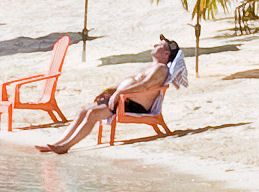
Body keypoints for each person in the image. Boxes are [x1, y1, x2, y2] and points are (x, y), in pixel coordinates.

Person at [40, 36, 185, 153]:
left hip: (132, 103)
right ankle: (58, 143)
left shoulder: (161, 68)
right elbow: (131, 81)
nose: (155, 45)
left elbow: (145, 85)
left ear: (166, 54)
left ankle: (66, 146)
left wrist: (119, 93)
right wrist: (110, 91)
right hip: (122, 98)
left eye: (159, 45)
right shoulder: (150, 66)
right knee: (83, 110)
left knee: (92, 114)